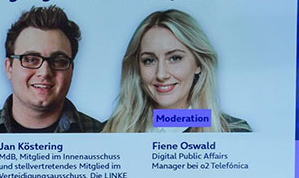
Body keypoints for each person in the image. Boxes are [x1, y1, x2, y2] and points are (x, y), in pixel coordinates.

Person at [102, 9, 251, 133]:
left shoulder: (233, 132)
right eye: (149, 60)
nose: (161, 74)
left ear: (198, 64)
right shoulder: (109, 132)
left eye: (175, 58)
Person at [0, 6, 102, 133]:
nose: (45, 73)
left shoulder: (104, 135)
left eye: (59, 61)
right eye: (31, 59)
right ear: (9, 67)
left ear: (71, 70)